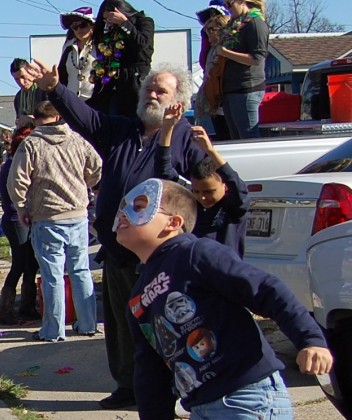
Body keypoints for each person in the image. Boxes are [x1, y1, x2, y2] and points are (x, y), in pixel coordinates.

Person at [26, 60, 205, 408]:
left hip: (159, 255)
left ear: (178, 99)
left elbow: (199, 186)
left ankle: (169, 389)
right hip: (120, 249)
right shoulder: (123, 130)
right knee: (123, 325)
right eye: (149, 88)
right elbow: (86, 118)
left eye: (161, 90)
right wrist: (55, 89)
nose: (153, 94)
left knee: (162, 324)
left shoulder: (185, 138)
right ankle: (128, 386)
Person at [113, 178, 333, 419]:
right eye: (123, 208)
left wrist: (310, 339)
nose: (124, 214)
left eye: (140, 206)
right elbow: (150, 370)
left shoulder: (196, 253)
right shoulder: (138, 297)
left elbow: (266, 290)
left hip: (246, 397)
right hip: (200, 406)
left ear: (173, 223)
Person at [8, 101, 102, 342]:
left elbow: (16, 181)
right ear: (59, 116)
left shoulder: (32, 144)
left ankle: (53, 329)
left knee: (53, 275)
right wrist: (86, 186)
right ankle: (88, 323)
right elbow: (97, 168)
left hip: (46, 216)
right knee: (81, 270)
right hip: (78, 214)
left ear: (36, 119)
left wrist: (21, 207)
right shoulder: (77, 140)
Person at [156, 105, 249, 256]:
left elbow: (235, 182)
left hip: (222, 274)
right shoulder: (193, 204)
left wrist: (210, 151)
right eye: (197, 191)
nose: (202, 197)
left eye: (209, 191)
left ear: (224, 186)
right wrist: (167, 129)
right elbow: (164, 172)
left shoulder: (234, 208)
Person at [0, 126, 40, 325]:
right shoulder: (12, 166)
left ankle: (28, 306)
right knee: (20, 263)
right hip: (15, 220)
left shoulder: (21, 164)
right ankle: (5, 310)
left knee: (32, 263)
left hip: (27, 219)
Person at [88, 0, 154, 118]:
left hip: (134, 81)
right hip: (112, 83)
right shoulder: (111, 30)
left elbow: (141, 44)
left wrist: (125, 23)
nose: (109, 22)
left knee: (133, 120)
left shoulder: (143, 22)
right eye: (106, 19)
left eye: (111, 18)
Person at [218, 0, 269, 139]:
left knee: (248, 139)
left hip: (246, 88)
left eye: (229, 4)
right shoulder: (234, 24)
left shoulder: (255, 23)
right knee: (235, 140)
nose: (227, 9)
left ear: (242, 1)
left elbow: (257, 58)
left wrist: (226, 53)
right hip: (230, 89)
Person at [194, 13, 231, 140]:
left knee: (230, 136)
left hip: (224, 99)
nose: (207, 33)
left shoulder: (227, 49)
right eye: (206, 30)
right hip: (213, 102)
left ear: (222, 29)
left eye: (211, 29)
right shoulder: (212, 49)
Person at [58, 7, 97, 101]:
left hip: (96, 101)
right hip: (71, 101)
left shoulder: (99, 47)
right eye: (75, 27)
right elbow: (62, 75)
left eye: (83, 25)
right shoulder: (68, 48)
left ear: (92, 25)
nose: (79, 30)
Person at [10, 58, 48, 128]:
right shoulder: (18, 97)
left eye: (23, 77)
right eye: (16, 79)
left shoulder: (44, 91)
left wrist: (32, 120)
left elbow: (51, 117)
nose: (21, 82)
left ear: (31, 72)